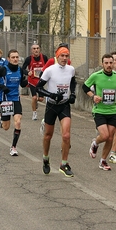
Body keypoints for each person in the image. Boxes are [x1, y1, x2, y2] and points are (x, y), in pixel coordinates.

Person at [83, 53, 116, 171]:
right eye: (106, 63)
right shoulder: (96, 76)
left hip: (112, 110)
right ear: (102, 64)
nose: (109, 65)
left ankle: (103, 161)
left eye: (111, 63)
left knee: (110, 137)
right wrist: (93, 96)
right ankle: (95, 143)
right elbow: (85, 87)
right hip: (99, 110)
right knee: (105, 135)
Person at [36, 46, 76, 177]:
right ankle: (46, 158)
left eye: (67, 56)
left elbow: (73, 83)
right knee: (48, 135)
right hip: (52, 105)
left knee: (66, 136)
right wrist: (51, 95)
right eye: (62, 56)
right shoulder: (50, 70)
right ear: (57, 56)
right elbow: (39, 88)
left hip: (64, 105)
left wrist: (73, 94)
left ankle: (64, 164)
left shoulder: (71, 69)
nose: (64, 59)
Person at [0, 49, 28, 156]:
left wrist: (30, 80)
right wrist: (2, 86)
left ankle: (13, 147)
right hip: (5, 99)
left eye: (17, 57)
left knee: (18, 122)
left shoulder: (20, 70)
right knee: (6, 127)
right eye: (13, 57)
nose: (15, 59)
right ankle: (2, 119)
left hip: (15, 99)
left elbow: (22, 84)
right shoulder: (3, 70)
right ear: (8, 59)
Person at [22, 43, 48, 120]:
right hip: (32, 80)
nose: (36, 50)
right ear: (31, 50)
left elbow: (49, 66)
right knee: (34, 97)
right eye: (34, 49)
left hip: (41, 81)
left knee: (41, 99)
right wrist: (27, 72)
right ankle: (34, 113)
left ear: (39, 49)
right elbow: (22, 69)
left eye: (37, 48)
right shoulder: (28, 59)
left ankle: (36, 102)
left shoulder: (44, 57)